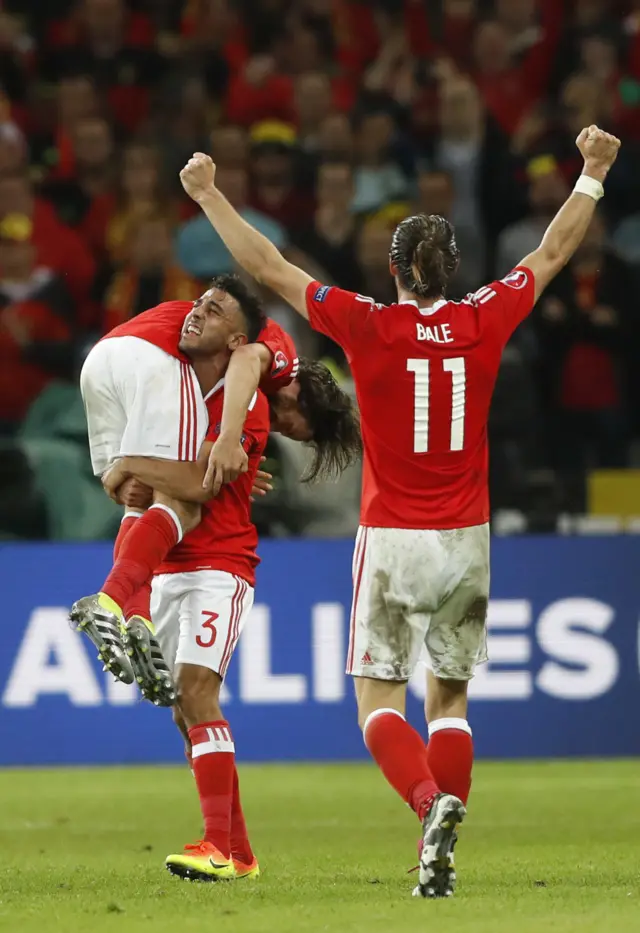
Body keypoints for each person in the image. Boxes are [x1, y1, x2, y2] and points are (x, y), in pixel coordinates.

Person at [178, 123, 621, 898]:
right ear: (455, 269)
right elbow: (550, 254)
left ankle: (429, 805)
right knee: (449, 698)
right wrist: (590, 174)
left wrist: (211, 193)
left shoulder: (367, 323)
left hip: (391, 538)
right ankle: (437, 843)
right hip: (468, 539)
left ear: (392, 270)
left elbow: (268, 267)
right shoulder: (485, 317)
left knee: (378, 701)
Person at [72, 277, 361, 700]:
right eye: (293, 428)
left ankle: (137, 617)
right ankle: (111, 601)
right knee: (186, 499)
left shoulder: (223, 380)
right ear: (304, 401)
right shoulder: (280, 357)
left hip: (101, 362)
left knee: (137, 498)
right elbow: (246, 359)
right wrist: (230, 436)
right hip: (154, 358)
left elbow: (130, 485)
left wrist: (237, 455)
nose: (281, 428)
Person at [102, 356, 269, 882]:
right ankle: (239, 852)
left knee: (198, 694)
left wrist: (131, 466)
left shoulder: (244, 402)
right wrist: (133, 473)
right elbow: (136, 484)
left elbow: (198, 479)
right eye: (197, 309)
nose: (197, 317)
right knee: (183, 712)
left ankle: (216, 847)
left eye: (214, 310)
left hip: (218, 566)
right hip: (171, 566)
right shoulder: (172, 399)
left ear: (236, 340)